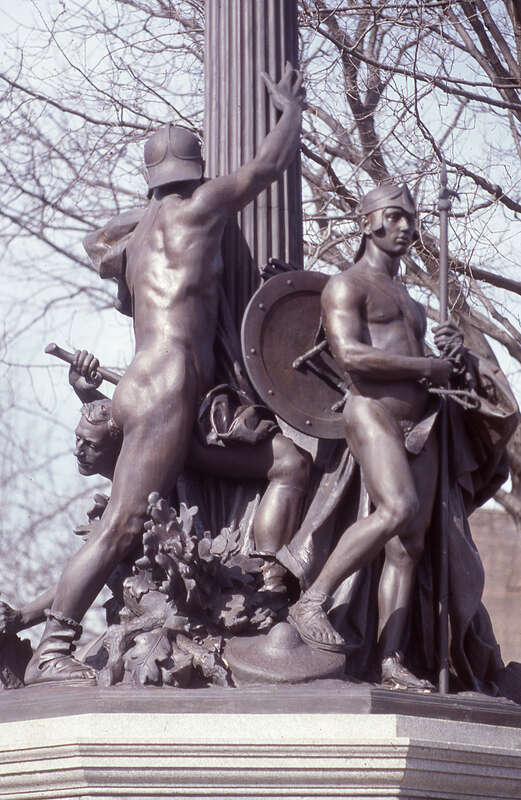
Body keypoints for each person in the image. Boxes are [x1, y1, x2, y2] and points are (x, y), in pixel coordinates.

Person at [25, 66, 308, 686]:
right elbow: (265, 168)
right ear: (194, 169)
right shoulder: (199, 208)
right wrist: (289, 110)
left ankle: (265, 582)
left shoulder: (137, 236)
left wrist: (142, 206)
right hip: (170, 390)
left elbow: (95, 237)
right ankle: (53, 648)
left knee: (286, 460)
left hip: (143, 388)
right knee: (125, 522)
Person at [3, 348, 309, 640]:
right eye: (78, 440)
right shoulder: (132, 474)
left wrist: (26, 616)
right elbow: (118, 432)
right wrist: (85, 392)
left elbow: (88, 574)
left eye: (89, 445)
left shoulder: (139, 506)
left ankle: (272, 580)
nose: (77, 452)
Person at [287, 184, 461, 690]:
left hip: (421, 424)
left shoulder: (412, 302)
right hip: (371, 412)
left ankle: (391, 660)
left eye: (411, 217)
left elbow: (427, 367)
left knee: (409, 544)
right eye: (394, 216)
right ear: (367, 223)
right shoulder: (346, 285)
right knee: (397, 509)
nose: (405, 226)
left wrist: (448, 358)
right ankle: (312, 600)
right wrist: (426, 363)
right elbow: (352, 356)